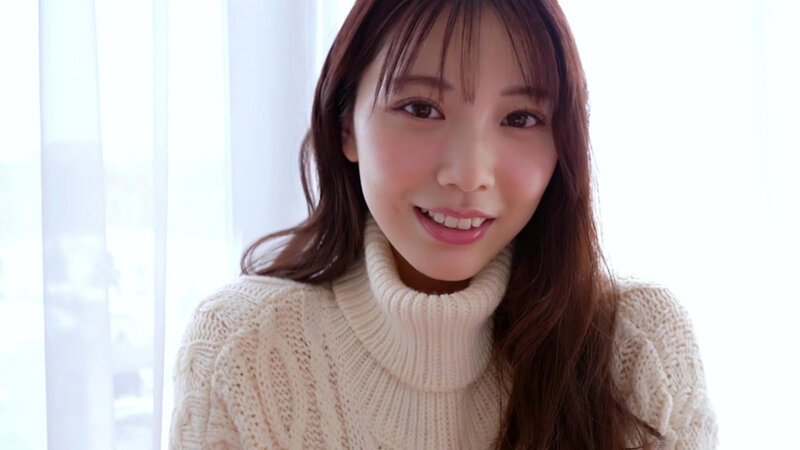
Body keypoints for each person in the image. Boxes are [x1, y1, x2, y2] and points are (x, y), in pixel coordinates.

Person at [169, 0, 717, 448]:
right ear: (346, 125)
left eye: (520, 118)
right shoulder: (244, 351)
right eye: (421, 108)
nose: (469, 174)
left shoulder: (638, 349)